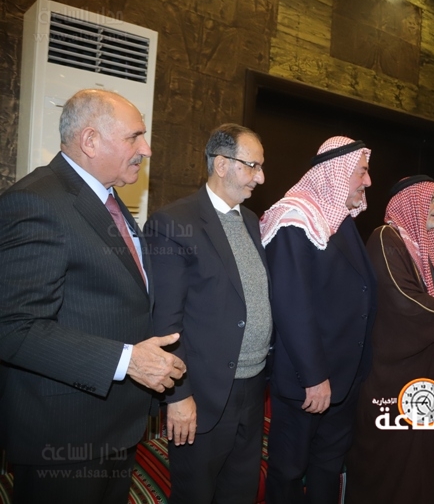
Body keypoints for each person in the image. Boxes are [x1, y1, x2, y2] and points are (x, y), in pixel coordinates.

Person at [0, 89, 186, 503]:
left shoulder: (106, 196)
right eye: (135, 137)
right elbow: (13, 327)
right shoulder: (36, 201)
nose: (147, 149)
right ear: (90, 141)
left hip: (115, 425)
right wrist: (127, 360)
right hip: (64, 435)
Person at [145, 124, 271, 503]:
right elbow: (165, 322)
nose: (261, 178)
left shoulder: (251, 221)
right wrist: (178, 396)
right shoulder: (173, 223)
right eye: (252, 166)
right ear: (221, 164)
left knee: (240, 492)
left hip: (253, 389)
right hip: (203, 393)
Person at [260, 136, 377, 504]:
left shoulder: (339, 219)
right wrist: (314, 377)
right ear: (335, 174)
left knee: (328, 467)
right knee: (289, 471)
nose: (368, 181)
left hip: (344, 378)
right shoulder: (295, 219)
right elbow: (291, 305)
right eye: (361, 172)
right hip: (308, 381)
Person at [346, 175, 434, 504]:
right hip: (393, 375)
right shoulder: (385, 238)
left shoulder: (423, 244)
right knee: (393, 456)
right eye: (431, 199)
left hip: (422, 369)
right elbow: (404, 302)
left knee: (421, 454)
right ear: (410, 203)